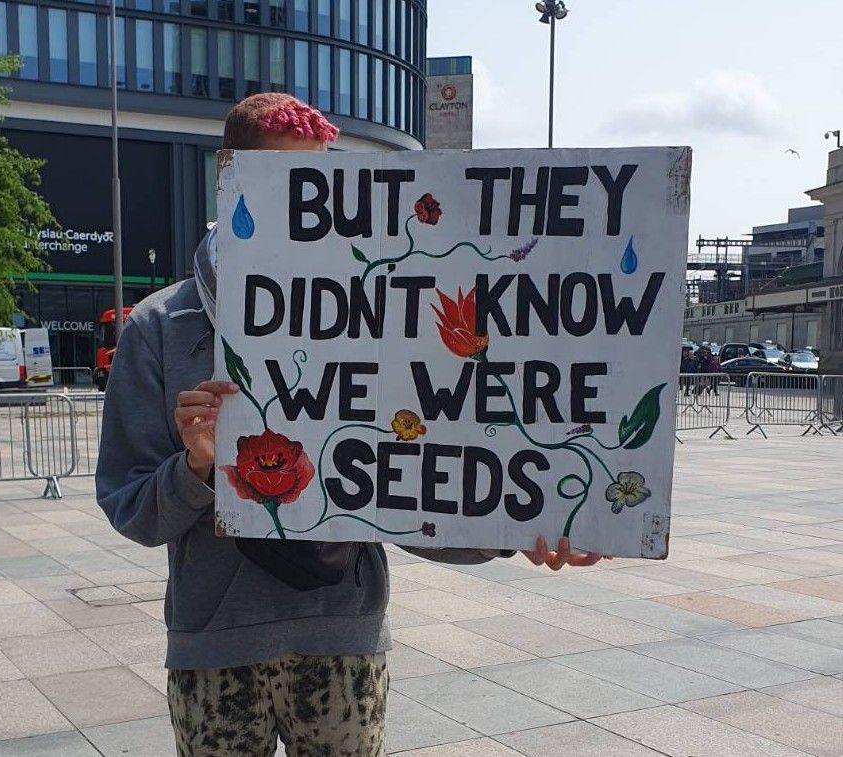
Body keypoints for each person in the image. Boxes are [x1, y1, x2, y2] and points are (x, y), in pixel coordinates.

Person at [95, 93, 606, 757]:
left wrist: (517, 521)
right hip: (213, 642)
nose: (308, 199)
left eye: (322, 181)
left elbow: (412, 479)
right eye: (285, 180)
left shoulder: (383, 312)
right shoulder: (160, 328)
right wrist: (196, 468)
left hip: (343, 636)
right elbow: (131, 509)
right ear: (229, 173)